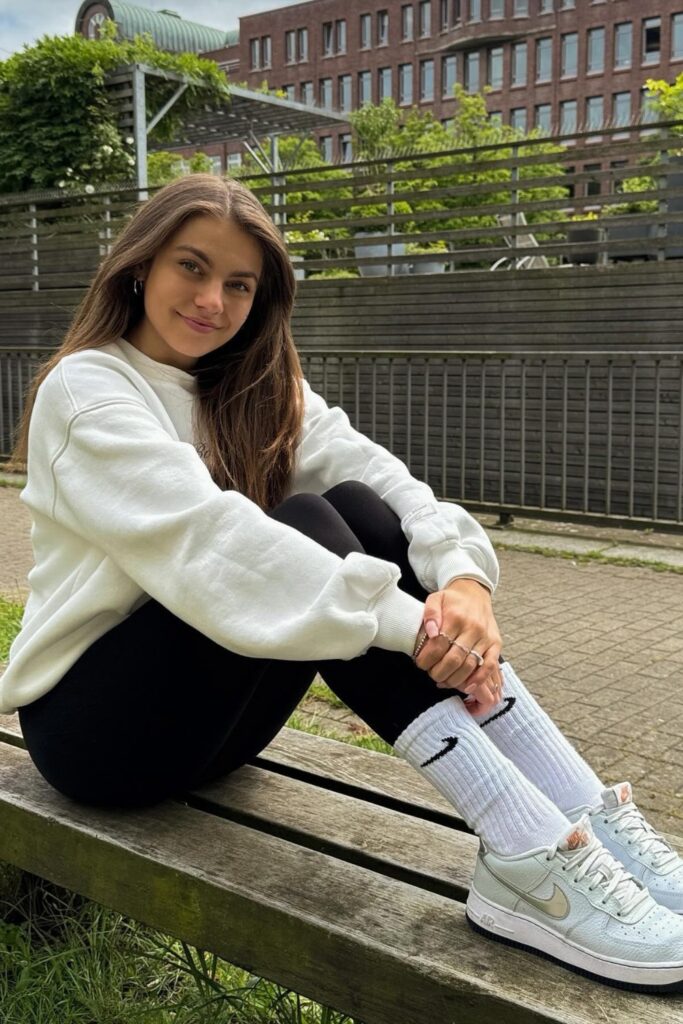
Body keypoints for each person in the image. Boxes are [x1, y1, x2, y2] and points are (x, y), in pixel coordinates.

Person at [2, 174, 682, 994]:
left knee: (352, 506)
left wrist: (464, 584)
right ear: (140, 266)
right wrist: (418, 631)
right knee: (307, 532)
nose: (212, 300)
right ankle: (523, 852)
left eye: (239, 284)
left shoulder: (253, 387)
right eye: (192, 267)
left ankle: (587, 820)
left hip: (216, 733)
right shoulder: (89, 389)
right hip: (97, 740)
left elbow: (380, 481)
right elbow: (217, 548)